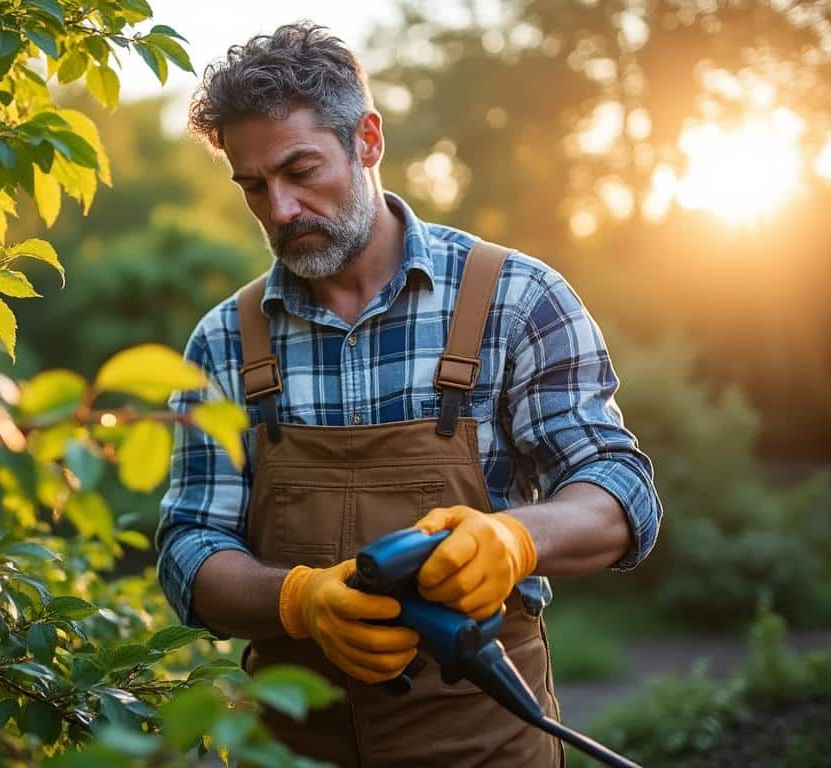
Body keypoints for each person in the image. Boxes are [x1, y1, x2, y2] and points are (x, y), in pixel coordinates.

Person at [155, 22, 662, 766]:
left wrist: (516, 540)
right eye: (254, 186)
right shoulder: (225, 342)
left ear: (366, 139)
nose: (282, 209)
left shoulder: (516, 299)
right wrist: (300, 600)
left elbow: (621, 494)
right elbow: (189, 549)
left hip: (487, 743)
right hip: (294, 748)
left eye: (302, 169)